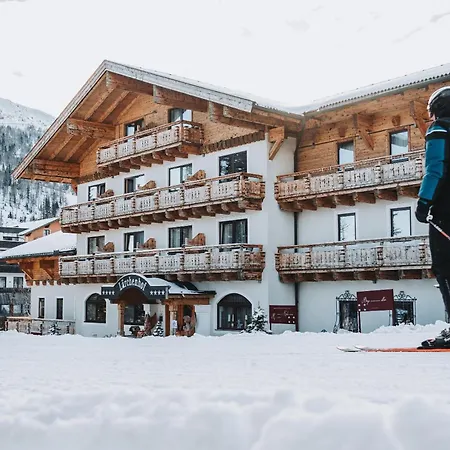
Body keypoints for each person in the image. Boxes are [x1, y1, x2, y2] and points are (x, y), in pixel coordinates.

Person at [415, 86, 450, 348]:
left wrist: (424, 202)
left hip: (445, 211)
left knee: (445, 267)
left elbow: (435, 169)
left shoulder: (440, 129)